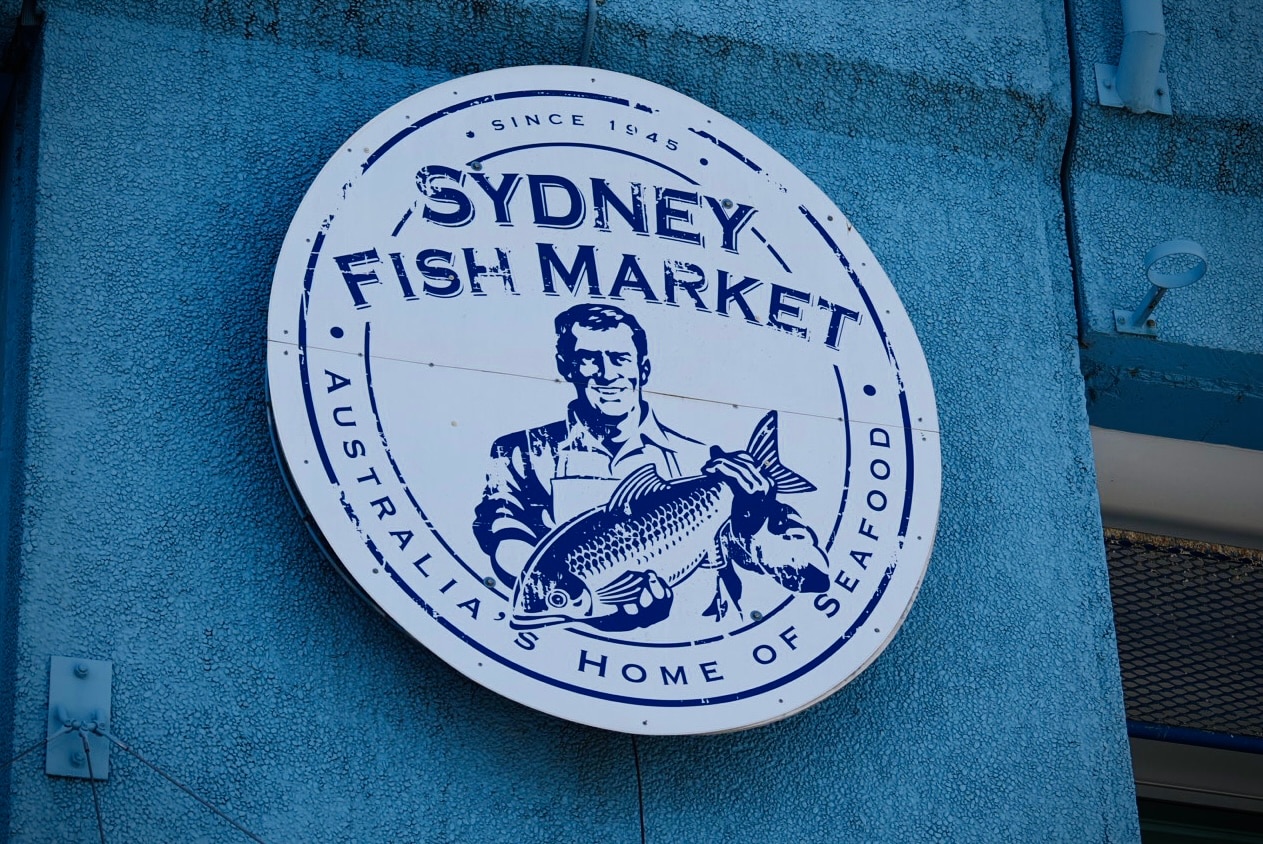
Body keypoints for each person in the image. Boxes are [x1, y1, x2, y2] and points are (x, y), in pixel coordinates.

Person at [472, 303, 827, 630]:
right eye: (589, 359)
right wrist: (586, 603)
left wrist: (756, 514)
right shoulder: (522, 452)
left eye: (620, 358)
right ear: (566, 368)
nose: (607, 373)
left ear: (643, 368)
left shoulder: (704, 461)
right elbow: (505, 535)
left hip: (695, 644)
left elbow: (805, 572)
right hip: (569, 638)